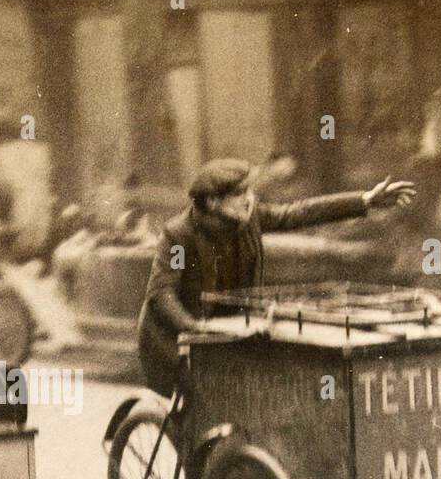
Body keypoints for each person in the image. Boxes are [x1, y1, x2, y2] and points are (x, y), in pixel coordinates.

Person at [137, 158, 416, 398]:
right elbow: (162, 293)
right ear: (212, 202)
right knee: (207, 404)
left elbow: (298, 213)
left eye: (249, 191)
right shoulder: (179, 236)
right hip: (173, 339)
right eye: (238, 193)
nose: (249, 199)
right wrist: (195, 327)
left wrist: (364, 201)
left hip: (225, 329)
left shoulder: (249, 218)